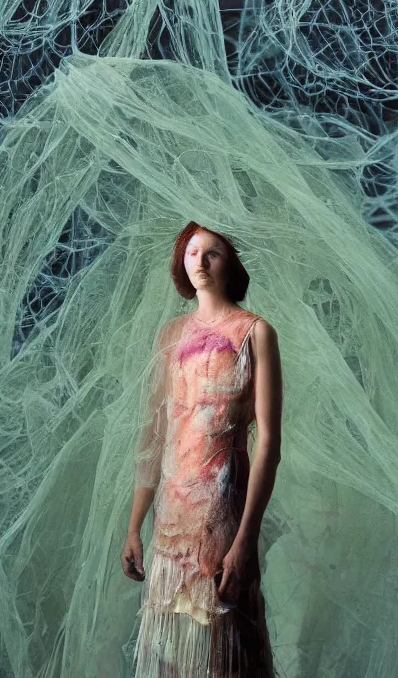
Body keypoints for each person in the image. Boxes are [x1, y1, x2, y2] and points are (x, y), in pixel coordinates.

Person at [121, 221, 282, 677]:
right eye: (192, 252)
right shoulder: (170, 335)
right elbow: (154, 433)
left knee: (222, 647)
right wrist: (135, 526)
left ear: (231, 262)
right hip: (170, 517)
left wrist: (245, 538)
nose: (200, 261)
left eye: (213, 252)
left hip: (223, 511)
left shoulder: (256, 333)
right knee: (170, 650)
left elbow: (269, 440)